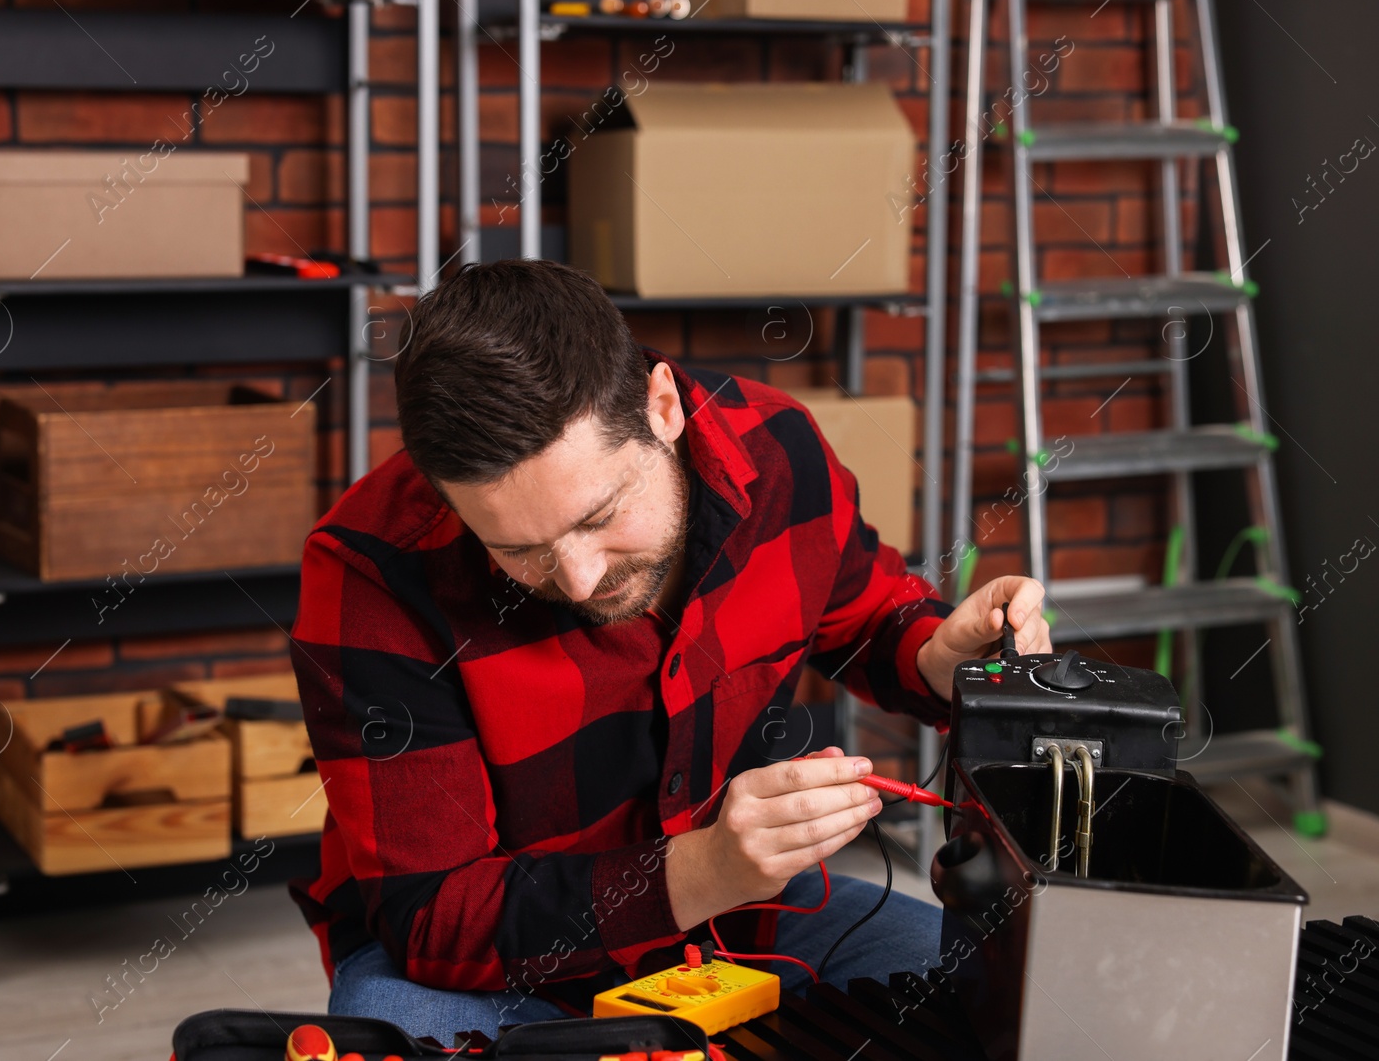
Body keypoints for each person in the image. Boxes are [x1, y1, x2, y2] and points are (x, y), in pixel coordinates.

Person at [286, 259, 1052, 1042]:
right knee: (397, 1032)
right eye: (518, 549)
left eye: (600, 515)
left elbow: (866, 615)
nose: (579, 579)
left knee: (1010, 1000)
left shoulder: (779, 449)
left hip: (747, 924)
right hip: (497, 970)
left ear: (662, 406)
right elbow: (436, 918)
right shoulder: (374, 568)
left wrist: (935, 654)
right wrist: (699, 870)